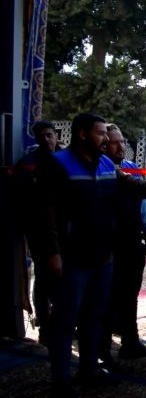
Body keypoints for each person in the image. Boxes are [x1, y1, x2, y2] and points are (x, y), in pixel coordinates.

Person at [36, 113, 146, 397]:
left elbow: (133, 185)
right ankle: (60, 382)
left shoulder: (106, 164)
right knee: (66, 321)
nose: (106, 139)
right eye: (100, 133)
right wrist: (52, 253)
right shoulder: (58, 164)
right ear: (82, 134)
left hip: (103, 255)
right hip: (71, 257)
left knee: (95, 317)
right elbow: (45, 215)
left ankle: (89, 371)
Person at [99, 124, 146, 364]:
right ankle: (102, 351)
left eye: (122, 141)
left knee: (129, 296)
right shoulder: (98, 169)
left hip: (132, 243)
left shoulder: (132, 168)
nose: (120, 146)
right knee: (105, 299)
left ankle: (130, 342)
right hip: (107, 245)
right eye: (114, 142)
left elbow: (144, 207)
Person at [13, 121, 59, 346]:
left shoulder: (67, 160)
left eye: (50, 135)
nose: (47, 140)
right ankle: (46, 328)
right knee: (43, 279)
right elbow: (21, 199)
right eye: (42, 136)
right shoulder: (28, 164)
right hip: (39, 231)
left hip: (65, 229)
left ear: (56, 135)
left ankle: (62, 324)